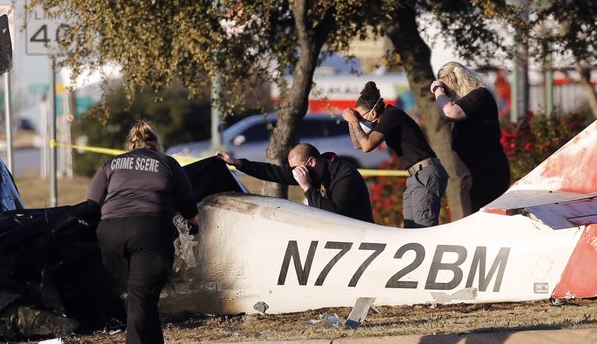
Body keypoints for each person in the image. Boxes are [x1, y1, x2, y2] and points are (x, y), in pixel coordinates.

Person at [87, 121, 199, 344]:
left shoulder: (112, 164)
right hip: (150, 232)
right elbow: (188, 205)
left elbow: (92, 202)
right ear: (156, 144)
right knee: (141, 298)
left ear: (131, 144)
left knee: (140, 297)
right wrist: (194, 226)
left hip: (110, 234)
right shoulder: (167, 163)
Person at [342, 81, 448, 228]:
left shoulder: (392, 116)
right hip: (416, 176)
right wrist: (351, 122)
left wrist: (354, 121)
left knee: (423, 227)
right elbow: (358, 144)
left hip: (425, 174)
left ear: (373, 112)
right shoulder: (384, 120)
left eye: (361, 117)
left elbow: (366, 146)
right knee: (411, 227)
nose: (360, 121)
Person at [216, 143, 374, 223]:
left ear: (311, 162)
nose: (295, 174)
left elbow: (335, 213)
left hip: (361, 235)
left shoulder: (344, 174)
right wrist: (237, 163)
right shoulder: (312, 171)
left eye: (296, 169)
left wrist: (307, 188)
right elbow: (274, 172)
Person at [431, 62, 512, 212]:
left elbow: (450, 113)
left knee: (479, 225)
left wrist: (437, 89)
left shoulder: (480, 95)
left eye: (446, 89)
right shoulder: (468, 103)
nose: (447, 95)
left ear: (454, 81)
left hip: (485, 174)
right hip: (472, 176)